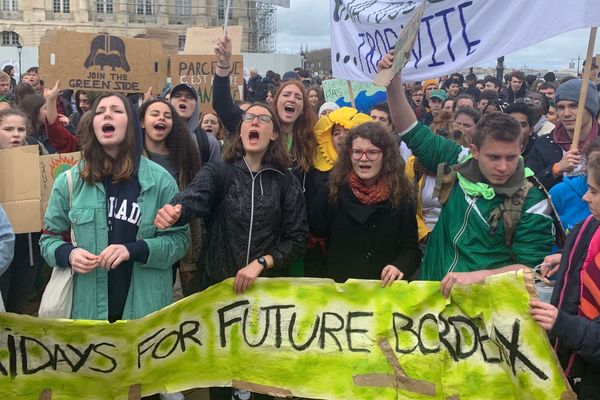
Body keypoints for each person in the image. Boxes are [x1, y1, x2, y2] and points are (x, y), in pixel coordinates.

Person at [154, 104, 308, 400]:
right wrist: (177, 209)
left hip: (264, 300)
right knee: (222, 378)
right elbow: (196, 196)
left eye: (264, 119)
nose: (255, 123)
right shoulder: (219, 170)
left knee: (259, 380)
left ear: (274, 133)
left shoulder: (285, 181)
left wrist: (262, 262)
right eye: (249, 118)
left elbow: (297, 237)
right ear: (240, 129)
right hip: (219, 293)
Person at [381, 51, 557, 295]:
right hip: (432, 294)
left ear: (521, 149)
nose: (504, 167)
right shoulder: (457, 162)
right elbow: (411, 131)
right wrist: (393, 82)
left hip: (482, 311)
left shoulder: (531, 199)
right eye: (493, 157)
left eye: (511, 157)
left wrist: (480, 277)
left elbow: (532, 269)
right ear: (474, 150)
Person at [40, 93, 189, 322]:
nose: (106, 114)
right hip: (86, 312)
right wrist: (69, 254)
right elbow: (48, 239)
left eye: (117, 110)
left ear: (130, 124)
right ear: (93, 125)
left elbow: (179, 242)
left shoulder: (160, 181)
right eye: (99, 112)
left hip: (142, 314)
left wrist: (133, 250)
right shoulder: (69, 181)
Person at [310, 122, 421, 283]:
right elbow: (314, 247)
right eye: (357, 152)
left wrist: (399, 266)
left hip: (382, 294)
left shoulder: (402, 196)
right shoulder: (331, 192)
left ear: (386, 156)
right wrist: (321, 287)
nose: (363, 158)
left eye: (372, 152)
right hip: (338, 295)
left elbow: (411, 250)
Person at [531, 150, 600, 399]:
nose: (584, 197)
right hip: (574, 370)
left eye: (593, 191)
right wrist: (568, 257)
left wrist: (561, 323)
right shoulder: (589, 226)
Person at [138, 99, 202, 297]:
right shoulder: (130, 158)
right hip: (142, 242)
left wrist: (195, 253)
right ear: (141, 122)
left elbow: (194, 206)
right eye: (155, 114)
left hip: (176, 241)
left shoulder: (185, 156)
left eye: (167, 116)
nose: (161, 118)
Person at [0, 109, 42, 313]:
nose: (15, 134)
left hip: (28, 246)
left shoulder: (39, 158)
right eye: (8, 129)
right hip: (1, 247)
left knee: (16, 307)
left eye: (20, 129)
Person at [526, 79, 599, 190]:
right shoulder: (544, 143)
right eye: (560, 107)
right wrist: (555, 170)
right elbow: (527, 187)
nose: (566, 113)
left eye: (574, 106)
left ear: (590, 108)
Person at [169, 83, 222, 164]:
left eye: (189, 97)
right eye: (177, 95)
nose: (183, 98)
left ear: (196, 104)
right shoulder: (159, 135)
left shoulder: (209, 142)